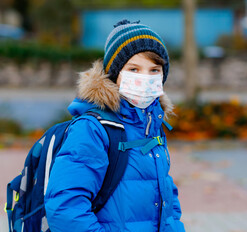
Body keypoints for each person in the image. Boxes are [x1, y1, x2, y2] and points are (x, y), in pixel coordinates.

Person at [44, 19, 185, 232]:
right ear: (115, 73)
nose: (145, 78)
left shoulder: (151, 123)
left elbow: (166, 196)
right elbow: (65, 207)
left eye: (154, 70)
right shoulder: (92, 129)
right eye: (134, 69)